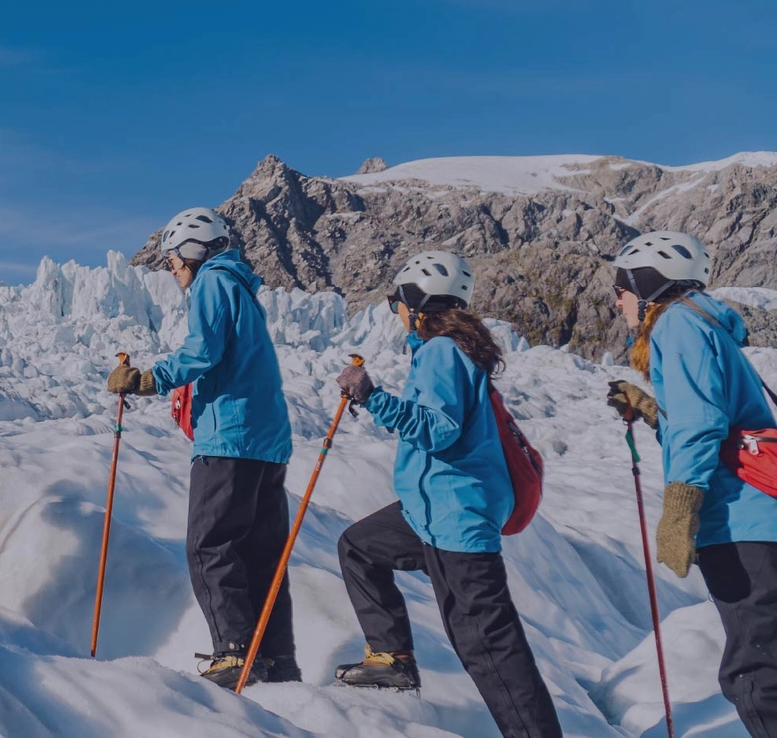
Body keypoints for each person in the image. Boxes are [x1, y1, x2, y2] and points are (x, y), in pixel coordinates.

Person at [330, 251, 561, 738]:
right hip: (431, 511)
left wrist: (372, 396)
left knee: (489, 648)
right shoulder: (451, 349)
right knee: (359, 547)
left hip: (456, 518)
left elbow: (437, 430)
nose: (393, 308)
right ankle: (391, 657)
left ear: (416, 301)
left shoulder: (441, 352)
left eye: (397, 298)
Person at [106, 207, 297, 689]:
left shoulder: (213, 282)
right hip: (267, 443)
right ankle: (275, 660)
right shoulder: (242, 290)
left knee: (209, 545)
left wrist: (148, 379)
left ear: (192, 251)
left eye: (172, 263)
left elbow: (201, 352)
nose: (173, 273)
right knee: (260, 552)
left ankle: (233, 653)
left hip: (230, 438)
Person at [605, 231, 777, 736]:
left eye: (623, 287)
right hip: (760, 516)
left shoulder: (676, 324)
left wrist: (680, 510)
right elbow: (708, 419)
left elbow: (701, 424)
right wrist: (654, 411)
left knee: (757, 673)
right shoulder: (703, 324)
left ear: (649, 282)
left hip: (737, 521)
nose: (618, 300)